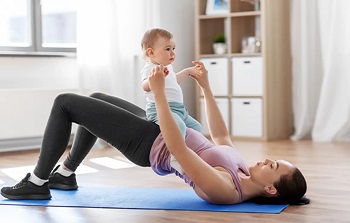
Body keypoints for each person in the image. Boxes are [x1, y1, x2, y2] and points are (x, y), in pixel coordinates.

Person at [1, 61, 309, 205]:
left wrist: (160, 94)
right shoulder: (242, 170)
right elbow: (222, 136)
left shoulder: (226, 189)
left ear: (271, 190)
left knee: (64, 103)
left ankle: (38, 182)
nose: (267, 160)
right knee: (94, 99)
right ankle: (66, 173)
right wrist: (207, 88)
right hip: (158, 130)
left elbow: (179, 149)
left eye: (273, 166)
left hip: (151, 144)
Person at [140, 28, 202, 173]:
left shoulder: (168, 68)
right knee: (178, 127)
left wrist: (186, 72)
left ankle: (195, 154)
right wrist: (155, 79)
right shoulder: (151, 68)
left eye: (173, 48)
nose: (173, 53)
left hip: (179, 110)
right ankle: (175, 157)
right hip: (160, 110)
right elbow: (145, 86)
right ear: (151, 52)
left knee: (197, 128)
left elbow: (174, 82)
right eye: (168, 49)